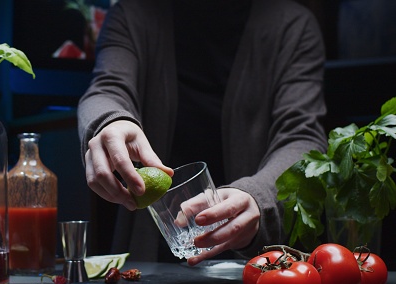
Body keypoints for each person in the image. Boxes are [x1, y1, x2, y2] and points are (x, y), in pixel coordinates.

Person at [77, 0, 328, 264]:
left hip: (261, 265)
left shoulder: (293, 25)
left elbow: (303, 137)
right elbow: (106, 89)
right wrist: (108, 123)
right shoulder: (132, 14)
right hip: (152, 258)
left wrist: (259, 197)